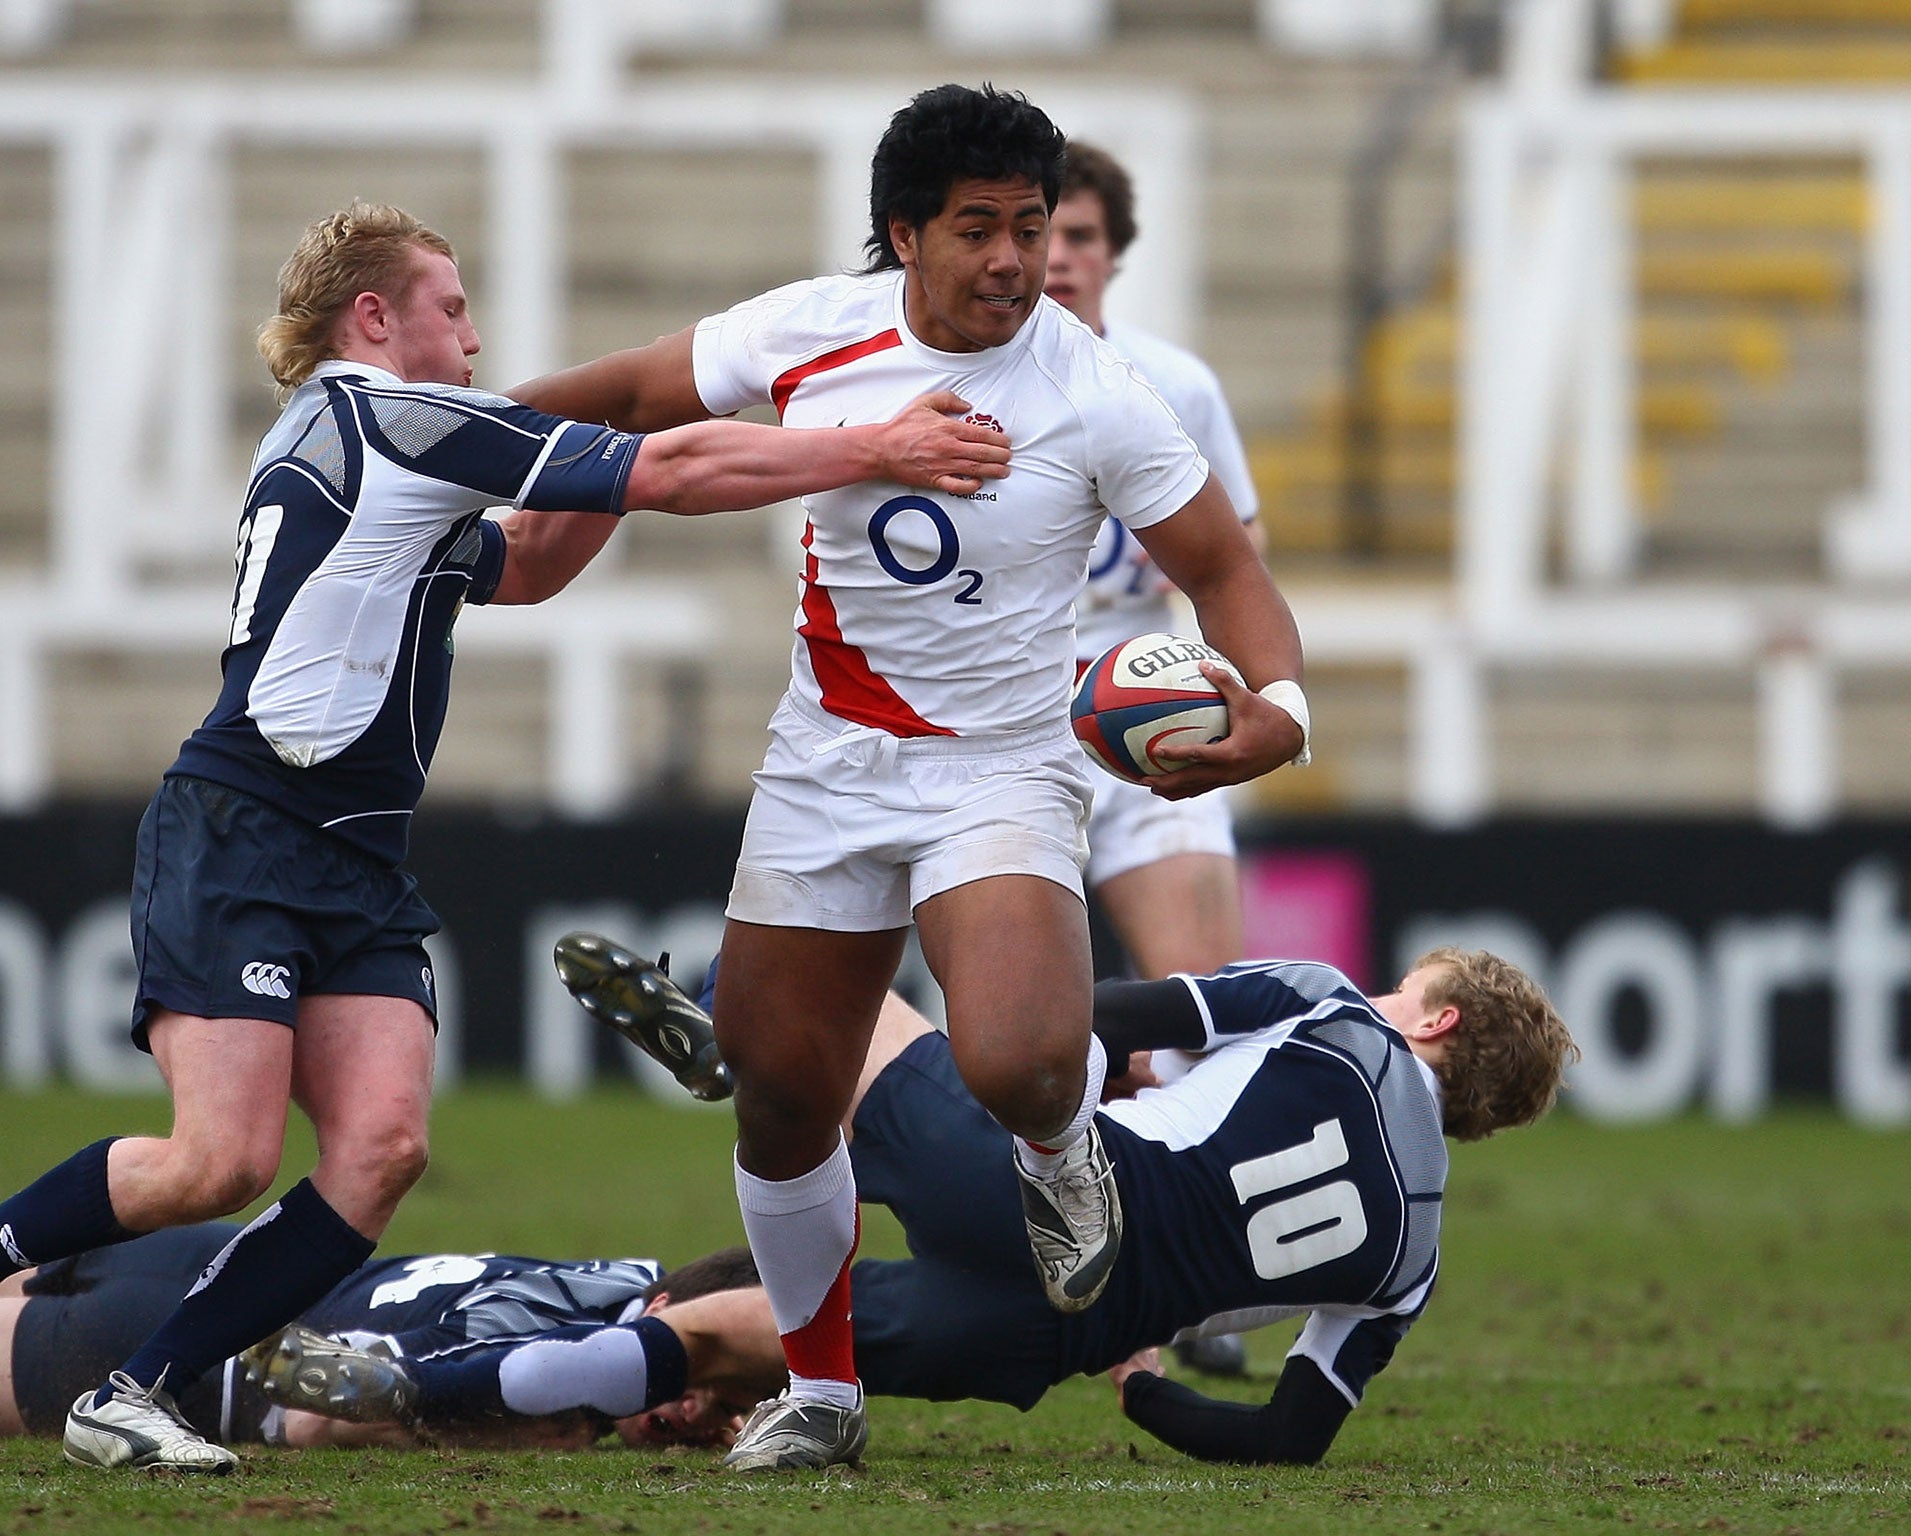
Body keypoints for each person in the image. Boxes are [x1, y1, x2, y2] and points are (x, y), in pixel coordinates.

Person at [0, 199, 1009, 1475]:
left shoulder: (382, 451)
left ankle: (136, 1390)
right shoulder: (383, 417)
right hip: (247, 826)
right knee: (216, 1159)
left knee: (381, 1150)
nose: (473, 340)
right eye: (452, 308)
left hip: (353, 859)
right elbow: (680, 478)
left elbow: (525, 567)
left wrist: (628, 422)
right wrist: (871, 445)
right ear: (374, 317)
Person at [506, 83, 1313, 1472]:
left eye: (1033, 228)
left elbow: (1226, 568)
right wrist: (437, 436)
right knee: (776, 1088)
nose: (1014, 260)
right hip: (825, 759)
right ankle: (822, 1396)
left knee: (1016, 1055)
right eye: (981, 231)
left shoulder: (1095, 392)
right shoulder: (810, 328)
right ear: (906, 234)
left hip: (999, 763)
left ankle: (1066, 1158)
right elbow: (631, 394)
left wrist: (1283, 711)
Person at [258, 932, 1576, 1468]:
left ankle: (731, 1027)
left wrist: (1082, 1062)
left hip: (1044, 1181)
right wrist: (1143, 1387)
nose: (1392, 992)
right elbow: (1293, 1434)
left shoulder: (1331, 1009)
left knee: (815, 976)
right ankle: (421, 1392)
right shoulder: (1412, 1252)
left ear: (1438, 1017)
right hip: (1044, 1339)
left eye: (1415, 989)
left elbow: (1105, 1011)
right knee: (734, 1333)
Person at [0, 1201, 762, 1454]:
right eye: (700, 1380)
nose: (699, 1414)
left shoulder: (622, 1280)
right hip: (191, 1359)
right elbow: (317, 1408)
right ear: (658, 1323)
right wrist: (497, 1437)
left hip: (203, 1251)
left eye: (726, 1408)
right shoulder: (561, 1364)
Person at [1050, 141, 1265, 985]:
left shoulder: (1179, 386)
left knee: (1204, 1005)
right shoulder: (963, 388)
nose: (1062, 256)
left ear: (1115, 253)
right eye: (1045, 233)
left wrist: (1195, 561)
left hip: (1147, 704)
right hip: (1005, 719)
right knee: (1022, 1037)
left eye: (1082, 234)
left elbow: (1244, 554)